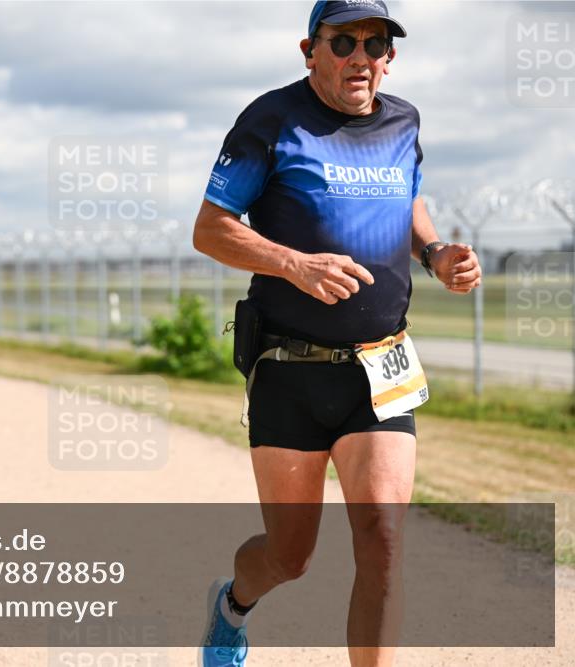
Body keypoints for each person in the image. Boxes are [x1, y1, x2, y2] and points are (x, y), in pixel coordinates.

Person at [192, 3, 482, 667]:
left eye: (375, 43)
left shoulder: (403, 121)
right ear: (310, 49)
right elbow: (209, 228)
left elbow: (406, 198)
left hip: (381, 368)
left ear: (390, 55)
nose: (362, 56)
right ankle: (233, 604)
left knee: (381, 537)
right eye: (344, 41)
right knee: (289, 555)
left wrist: (435, 251)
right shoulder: (271, 120)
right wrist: (294, 264)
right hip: (289, 366)